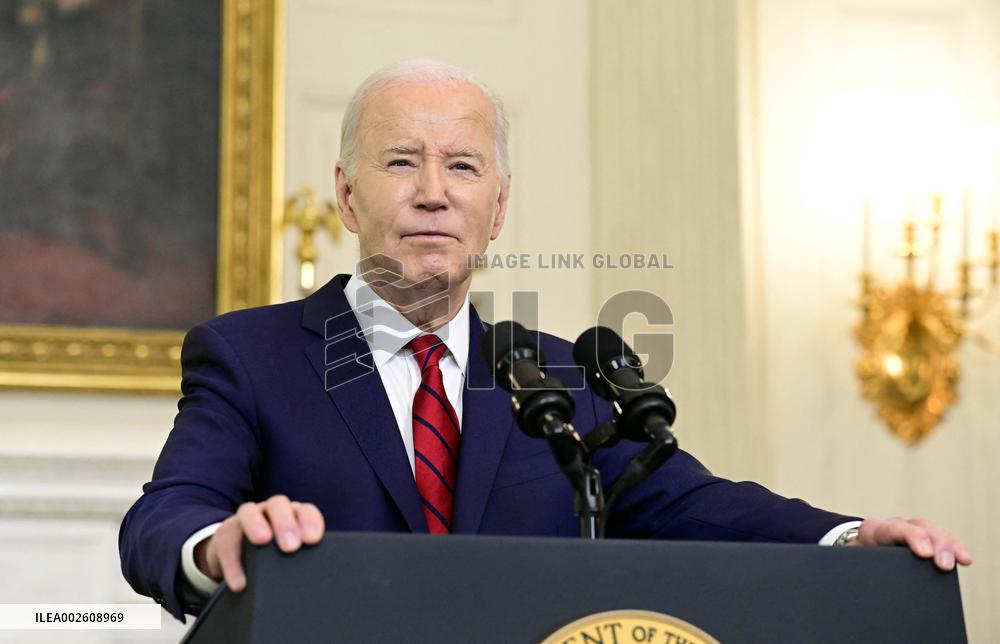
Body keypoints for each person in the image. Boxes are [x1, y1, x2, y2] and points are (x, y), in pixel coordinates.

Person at [118, 60, 971, 622]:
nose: (432, 194)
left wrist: (853, 539)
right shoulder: (250, 356)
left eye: (463, 166)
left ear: (499, 206)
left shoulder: (559, 374)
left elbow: (692, 503)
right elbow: (164, 517)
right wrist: (219, 541)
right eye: (400, 162)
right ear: (346, 196)